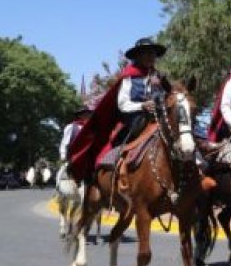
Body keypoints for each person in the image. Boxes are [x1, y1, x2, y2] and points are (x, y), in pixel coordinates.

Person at [69, 38, 169, 185]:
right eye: (146, 53)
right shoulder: (129, 77)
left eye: (152, 53)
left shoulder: (159, 78)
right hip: (136, 120)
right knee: (129, 135)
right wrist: (142, 106)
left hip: (160, 118)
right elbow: (123, 104)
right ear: (138, 56)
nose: (150, 57)